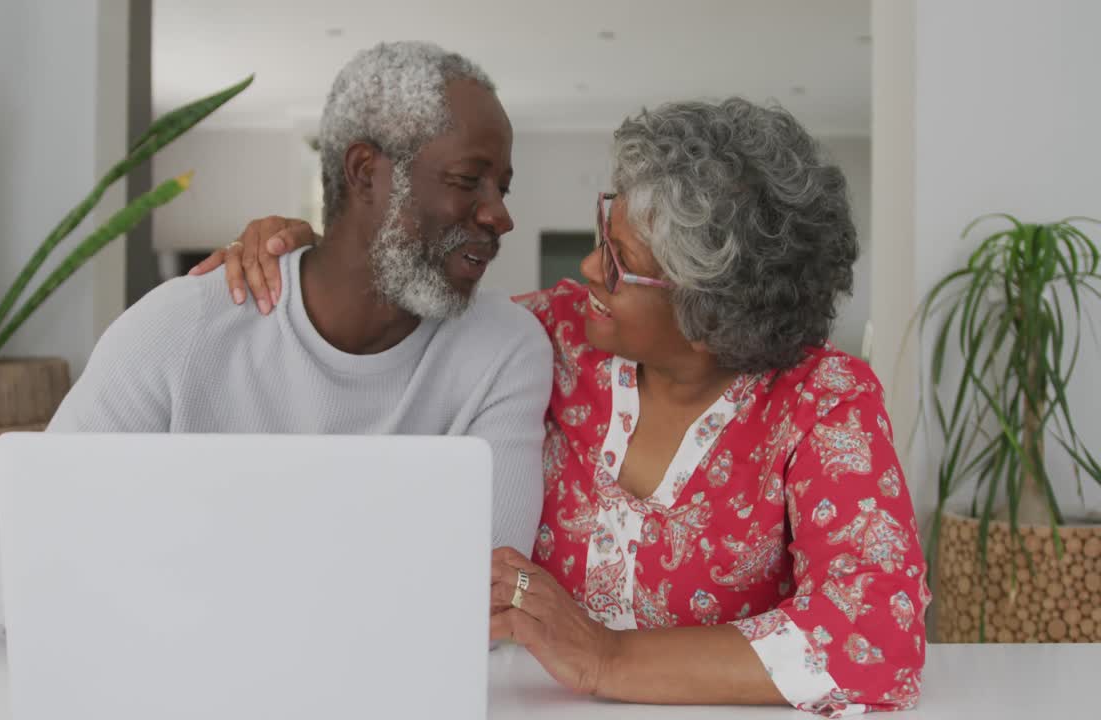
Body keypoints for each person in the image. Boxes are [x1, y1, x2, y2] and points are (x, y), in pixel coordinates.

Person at [194, 98, 928, 715]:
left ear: (715, 315)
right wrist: (314, 261)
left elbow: (876, 641)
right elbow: (385, 347)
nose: (587, 269)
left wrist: (607, 659)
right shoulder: (545, 335)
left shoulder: (825, 403)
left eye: (620, 263)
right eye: (602, 236)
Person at [0, 41, 552, 629]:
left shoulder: (503, 350)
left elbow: (493, 599)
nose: (499, 215)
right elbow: (1, 554)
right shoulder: (184, 325)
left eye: (502, 186)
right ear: (366, 172)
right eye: (468, 179)